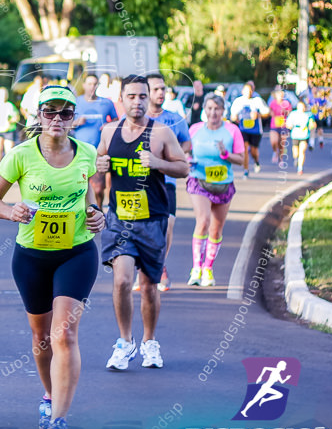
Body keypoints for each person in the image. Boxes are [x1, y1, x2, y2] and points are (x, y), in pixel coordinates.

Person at [0, 85, 107, 429]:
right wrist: (11, 211)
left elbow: (89, 197)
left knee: (64, 334)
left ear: (74, 119)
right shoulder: (20, 155)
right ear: (38, 117)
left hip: (77, 252)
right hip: (32, 256)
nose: (56, 119)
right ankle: (50, 394)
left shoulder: (86, 152)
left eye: (65, 113)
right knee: (41, 339)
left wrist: (96, 214)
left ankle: (59, 420)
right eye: (49, 112)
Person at [97, 75, 189, 370]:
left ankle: (150, 342)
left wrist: (158, 163)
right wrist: (100, 164)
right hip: (119, 218)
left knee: (149, 286)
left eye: (141, 96)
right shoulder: (109, 131)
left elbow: (183, 167)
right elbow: (97, 163)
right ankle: (125, 341)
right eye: (131, 96)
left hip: (152, 219)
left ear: (149, 98)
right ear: (121, 99)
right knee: (122, 281)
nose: (137, 102)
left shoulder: (161, 132)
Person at [186, 94, 245, 287]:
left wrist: (225, 154)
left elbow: (242, 159)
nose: (213, 112)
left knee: (216, 229)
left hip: (223, 184)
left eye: (217, 109)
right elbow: (184, 151)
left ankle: (207, 269)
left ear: (223, 111)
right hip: (199, 180)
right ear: (204, 109)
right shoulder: (195, 129)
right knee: (203, 220)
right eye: (209, 108)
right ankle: (196, 268)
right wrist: (187, 159)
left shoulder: (232, 130)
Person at [144, 72, 192, 293]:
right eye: (156, 89)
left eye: (163, 88)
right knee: (143, 227)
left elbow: (187, 143)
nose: (161, 93)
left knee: (168, 226)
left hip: (167, 180)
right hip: (141, 182)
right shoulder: (138, 119)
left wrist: (171, 158)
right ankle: (145, 269)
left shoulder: (174, 118)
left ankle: (159, 265)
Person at [72, 74, 118, 208]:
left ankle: (97, 210)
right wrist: (76, 122)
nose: (92, 87)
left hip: (99, 152)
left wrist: (108, 126)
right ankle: (83, 212)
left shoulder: (106, 103)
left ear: (98, 86)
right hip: (78, 152)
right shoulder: (76, 102)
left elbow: (116, 120)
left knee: (98, 189)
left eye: (95, 84)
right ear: (84, 85)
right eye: (89, 84)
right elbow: (66, 123)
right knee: (79, 187)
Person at [228, 81, 269, 177]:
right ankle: (246, 170)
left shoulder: (257, 101)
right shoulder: (238, 101)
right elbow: (233, 116)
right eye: (246, 91)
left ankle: (256, 161)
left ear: (253, 91)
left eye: (250, 91)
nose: (248, 93)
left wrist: (258, 115)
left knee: (254, 150)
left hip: (256, 130)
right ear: (242, 91)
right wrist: (235, 118)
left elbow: (267, 113)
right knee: (245, 148)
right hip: (243, 129)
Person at [0, 87, 22, 162]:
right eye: (0, 94)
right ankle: (0, 170)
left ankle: (8, 171)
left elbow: (17, 117)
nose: (2, 96)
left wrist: (10, 121)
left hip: (9, 131)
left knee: (8, 153)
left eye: (4, 94)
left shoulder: (10, 106)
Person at [286, 102, 316, 175]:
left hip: (304, 135)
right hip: (295, 135)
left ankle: (300, 168)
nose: (301, 108)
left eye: (303, 107)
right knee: (295, 153)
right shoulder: (293, 114)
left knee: (302, 151)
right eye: (300, 107)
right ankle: (296, 159)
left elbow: (313, 124)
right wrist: (289, 126)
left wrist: (311, 126)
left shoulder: (308, 115)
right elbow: (288, 123)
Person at [268, 87, 293, 165]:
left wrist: (285, 112)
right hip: (274, 125)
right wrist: (271, 113)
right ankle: (275, 152)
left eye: (282, 94)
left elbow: (290, 111)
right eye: (279, 94)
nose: (280, 96)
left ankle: (281, 159)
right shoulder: (273, 102)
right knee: (274, 141)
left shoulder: (286, 103)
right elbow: (270, 110)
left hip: (283, 125)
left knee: (282, 143)